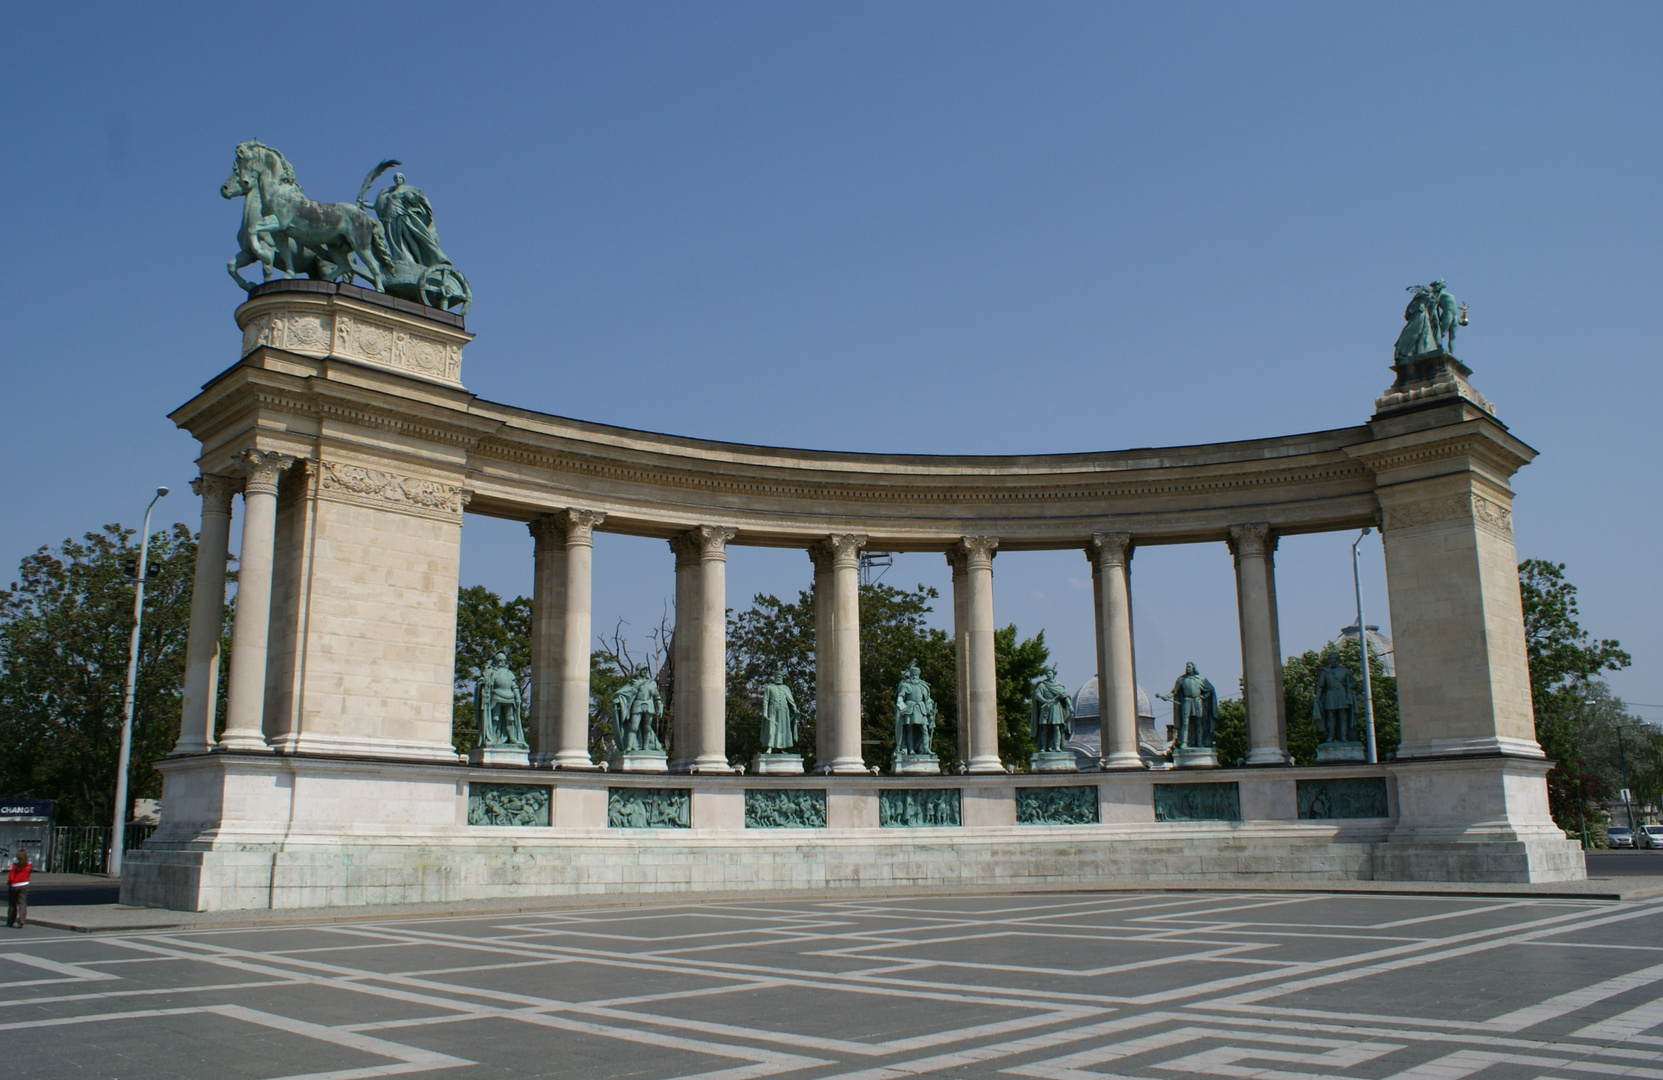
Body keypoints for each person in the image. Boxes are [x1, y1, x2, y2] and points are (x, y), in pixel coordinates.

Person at [759, 667, 800, 753]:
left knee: (783, 729)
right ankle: (769, 747)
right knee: (772, 729)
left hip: (784, 711)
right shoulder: (769, 687)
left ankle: (782, 747)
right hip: (773, 710)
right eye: (777, 677)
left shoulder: (786, 688)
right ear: (774, 677)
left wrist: (795, 709)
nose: (779, 678)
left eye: (780, 677)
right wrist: (765, 712)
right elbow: (766, 701)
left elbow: (791, 700)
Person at [7, 850, 30, 928]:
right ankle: (22, 920)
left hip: (14, 885)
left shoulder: (14, 865)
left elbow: (11, 877)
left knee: (12, 904)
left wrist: (10, 883)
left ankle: (10, 921)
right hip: (24, 885)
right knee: (22, 903)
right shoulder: (28, 865)